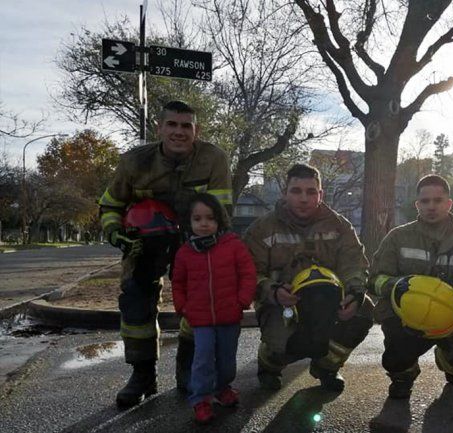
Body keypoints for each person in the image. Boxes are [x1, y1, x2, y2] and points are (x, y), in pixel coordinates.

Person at [97, 100, 233, 407]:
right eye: (172, 124)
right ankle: (142, 375)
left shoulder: (213, 159)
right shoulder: (134, 161)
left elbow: (221, 212)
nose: (179, 132)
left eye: (186, 126)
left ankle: (188, 370)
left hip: (194, 240)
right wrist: (116, 233)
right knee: (134, 299)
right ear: (159, 128)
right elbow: (111, 205)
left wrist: (207, 247)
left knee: (198, 301)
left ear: (196, 131)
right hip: (145, 243)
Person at [242, 163, 373, 392]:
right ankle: (269, 364)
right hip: (282, 304)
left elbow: (354, 263)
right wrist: (272, 291)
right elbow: (247, 273)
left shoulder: (340, 226)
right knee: (283, 345)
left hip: (328, 302)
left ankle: (326, 367)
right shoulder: (262, 229)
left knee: (364, 309)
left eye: (311, 192)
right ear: (285, 193)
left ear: (320, 194)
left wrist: (354, 293)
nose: (304, 198)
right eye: (296, 191)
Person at [369, 174, 453, 399]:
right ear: (417, 205)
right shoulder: (398, 238)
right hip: (408, 320)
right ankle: (404, 373)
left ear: (449, 203)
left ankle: (450, 363)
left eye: (438, 200)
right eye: (425, 201)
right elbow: (375, 279)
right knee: (395, 356)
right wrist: (398, 286)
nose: (431, 206)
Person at [172, 193, 256, 424]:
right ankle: (200, 398)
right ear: (189, 222)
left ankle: (222, 387)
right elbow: (178, 282)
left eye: (209, 217)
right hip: (200, 319)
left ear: (219, 219)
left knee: (227, 358)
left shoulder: (233, 246)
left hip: (229, 315)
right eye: (197, 218)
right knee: (203, 357)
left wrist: (242, 300)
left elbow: (248, 274)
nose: (204, 223)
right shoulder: (185, 253)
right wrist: (183, 307)